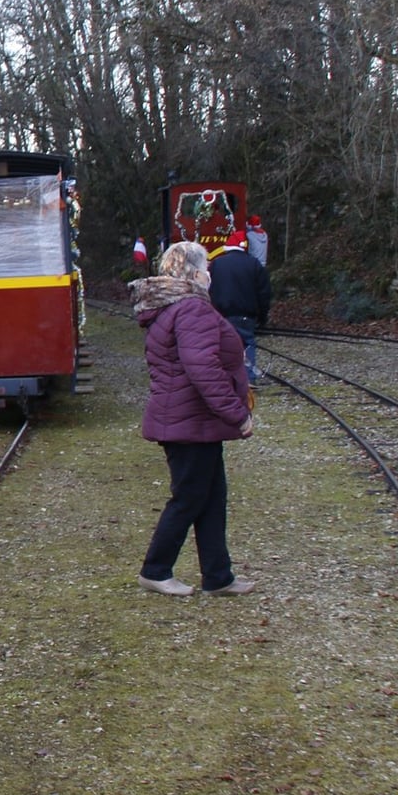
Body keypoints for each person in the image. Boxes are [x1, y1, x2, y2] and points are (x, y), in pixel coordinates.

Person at [131, 242, 256, 597]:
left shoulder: (174, 308)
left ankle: (218, 576)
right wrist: (237, 415)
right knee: (188, 497)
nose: (211, 274)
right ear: (195, 273)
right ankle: (155, 569)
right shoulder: (192, 310)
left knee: (211, 497)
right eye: (206, 267)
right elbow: (203, 370)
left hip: (192, 421)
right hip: (189, 422)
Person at [207, 232, 270, 383]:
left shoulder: (216, 264)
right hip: (246, 315)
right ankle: (248, 379)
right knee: (247, 344)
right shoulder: (254, 264)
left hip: (222, 314)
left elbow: (208, 289)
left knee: (223, 345)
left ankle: (226, 378)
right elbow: (264, 293)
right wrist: (262, 317)